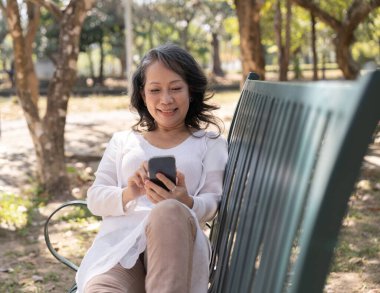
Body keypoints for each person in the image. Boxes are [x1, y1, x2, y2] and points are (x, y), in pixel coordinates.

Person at [76, 43, 228, 293]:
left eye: (176, 88)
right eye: (155, 90)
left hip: (175, 249)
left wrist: (187, 202)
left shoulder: (209, 144)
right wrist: (130, 192)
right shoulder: (122, 141)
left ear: (191, 91)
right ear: (143, 95)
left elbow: (214, 200)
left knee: (168, 210)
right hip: (121, 251)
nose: (166, 100)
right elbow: (95, 198)